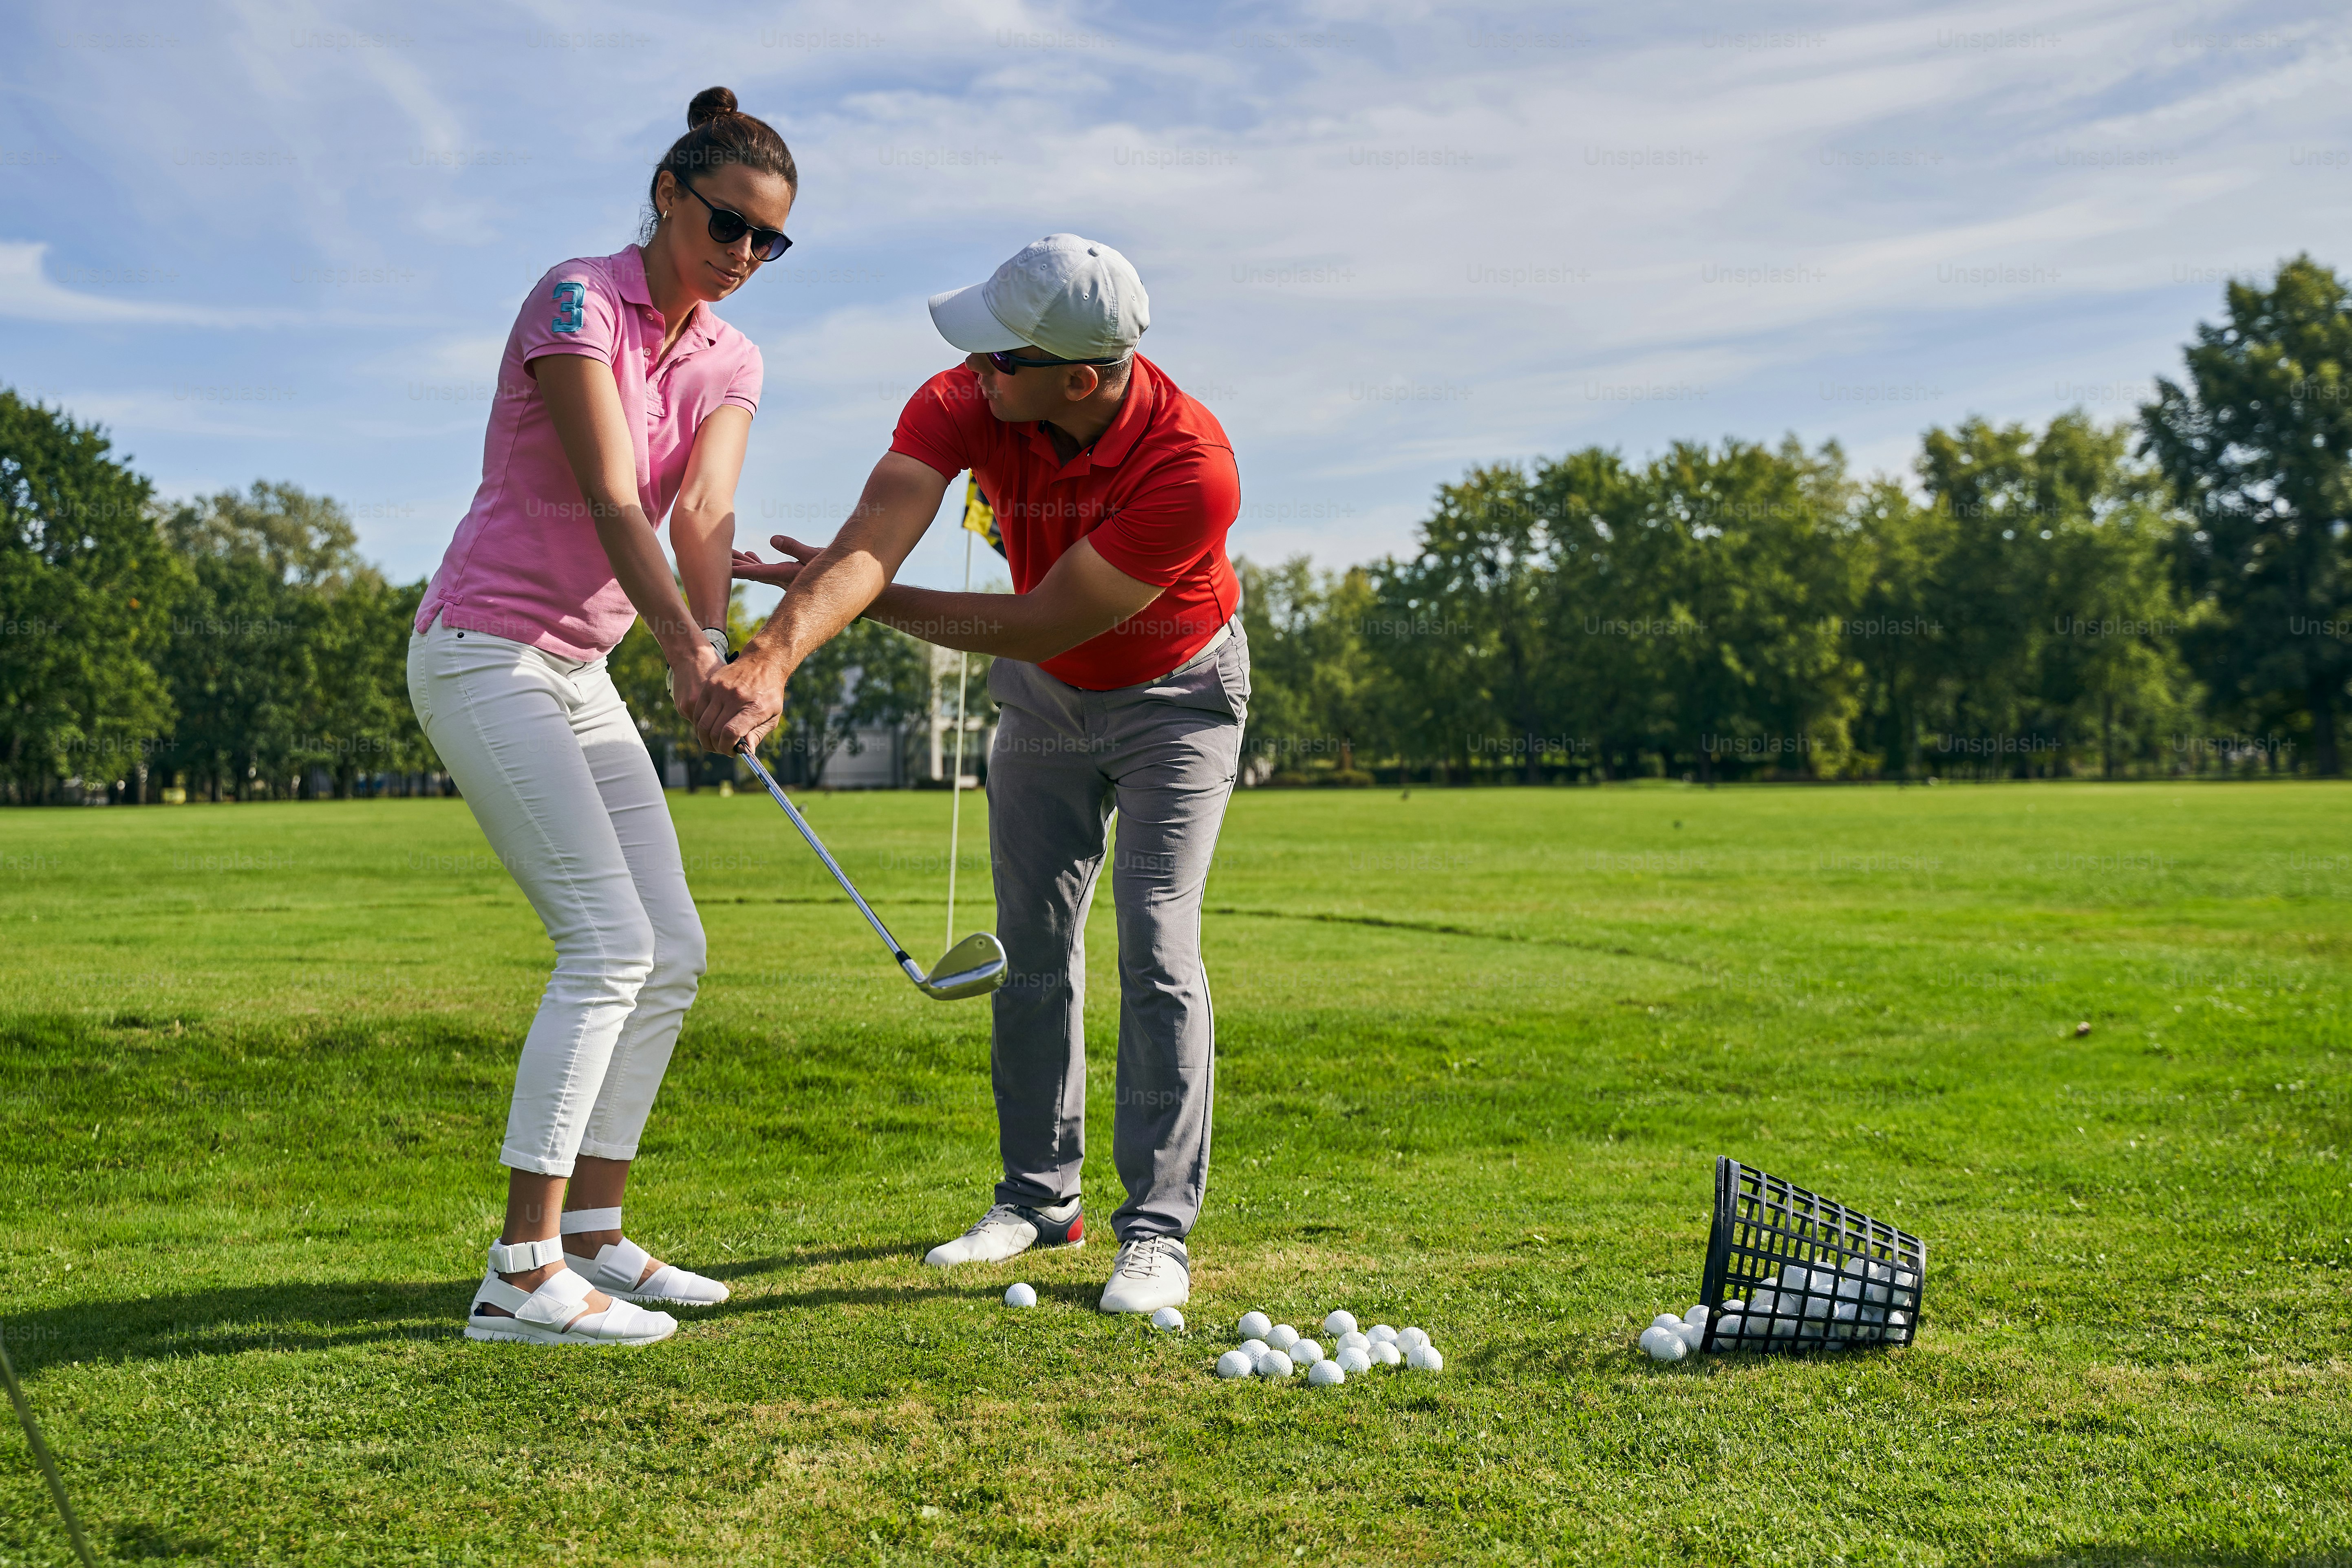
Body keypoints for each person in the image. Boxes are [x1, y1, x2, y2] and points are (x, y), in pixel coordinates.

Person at [707, 234, 1247, 1315]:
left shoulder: (1192, 468)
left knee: (1155, 945)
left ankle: (1156, 1230)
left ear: (1078, 378)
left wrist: (857, 598)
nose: (976, 373)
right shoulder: (970, 394)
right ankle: (1040, 1197)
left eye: (1001, 360)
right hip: (1041, 701)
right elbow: (877, 534)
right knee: (1031, 945)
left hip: (1172, 702)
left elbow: (1039, 620)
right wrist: (774, 653)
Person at [406, 87, 793, 1345]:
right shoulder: (576, 297)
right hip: (484, 653)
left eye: (767, 243)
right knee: (606, 944)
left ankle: (593, 1238)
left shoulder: (731, 355)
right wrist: (685, 660)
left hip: (578, 672)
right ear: (670, 194)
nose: (740, 256)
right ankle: (519, 1271)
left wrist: (729, 662)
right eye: (726, 224)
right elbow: (616, 498)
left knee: (670, 949)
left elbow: (699, 524)